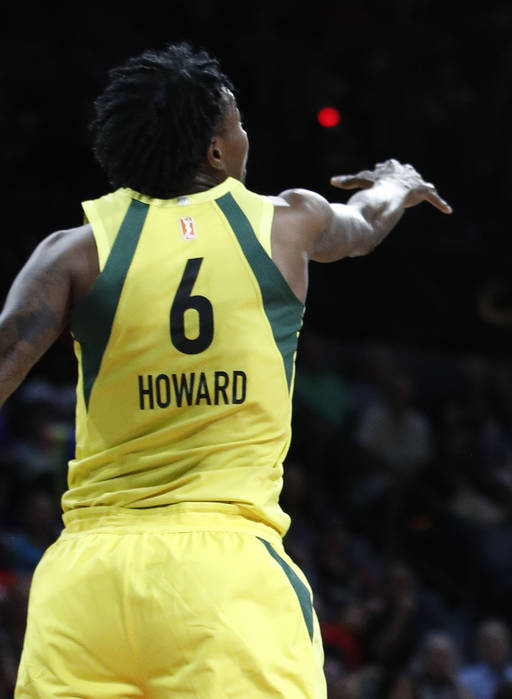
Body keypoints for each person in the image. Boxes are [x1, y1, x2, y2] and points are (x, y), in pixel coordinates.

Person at [0, 43, 450, 697]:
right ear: (215, 151)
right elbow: (363, 224)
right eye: (237, 123)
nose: (245, 137)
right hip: (223, 581)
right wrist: (398, 183)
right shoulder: (288, 223)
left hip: (85, 583)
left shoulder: (74, 251)